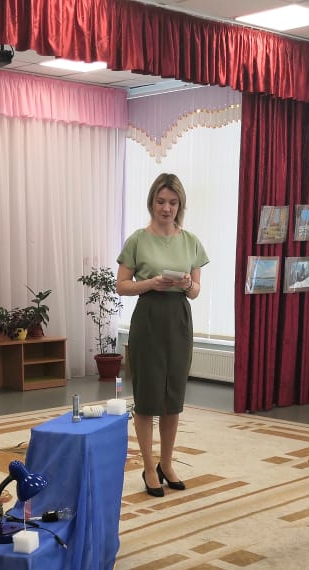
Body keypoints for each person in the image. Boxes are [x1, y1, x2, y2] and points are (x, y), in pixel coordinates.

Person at [116, 173, 209, 497]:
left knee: (173, 397)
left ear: (180, 205)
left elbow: (195, 292)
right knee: (147, 397)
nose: (166, 208)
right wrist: (151, 283)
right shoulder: (137, 240)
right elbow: (121, 285)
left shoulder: (191, 241)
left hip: (179, 319)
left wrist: (187, 284)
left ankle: (166, 464)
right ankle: (148, 466)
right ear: (151, 203)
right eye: (160, 201)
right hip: (149, 317)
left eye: (172, 202)